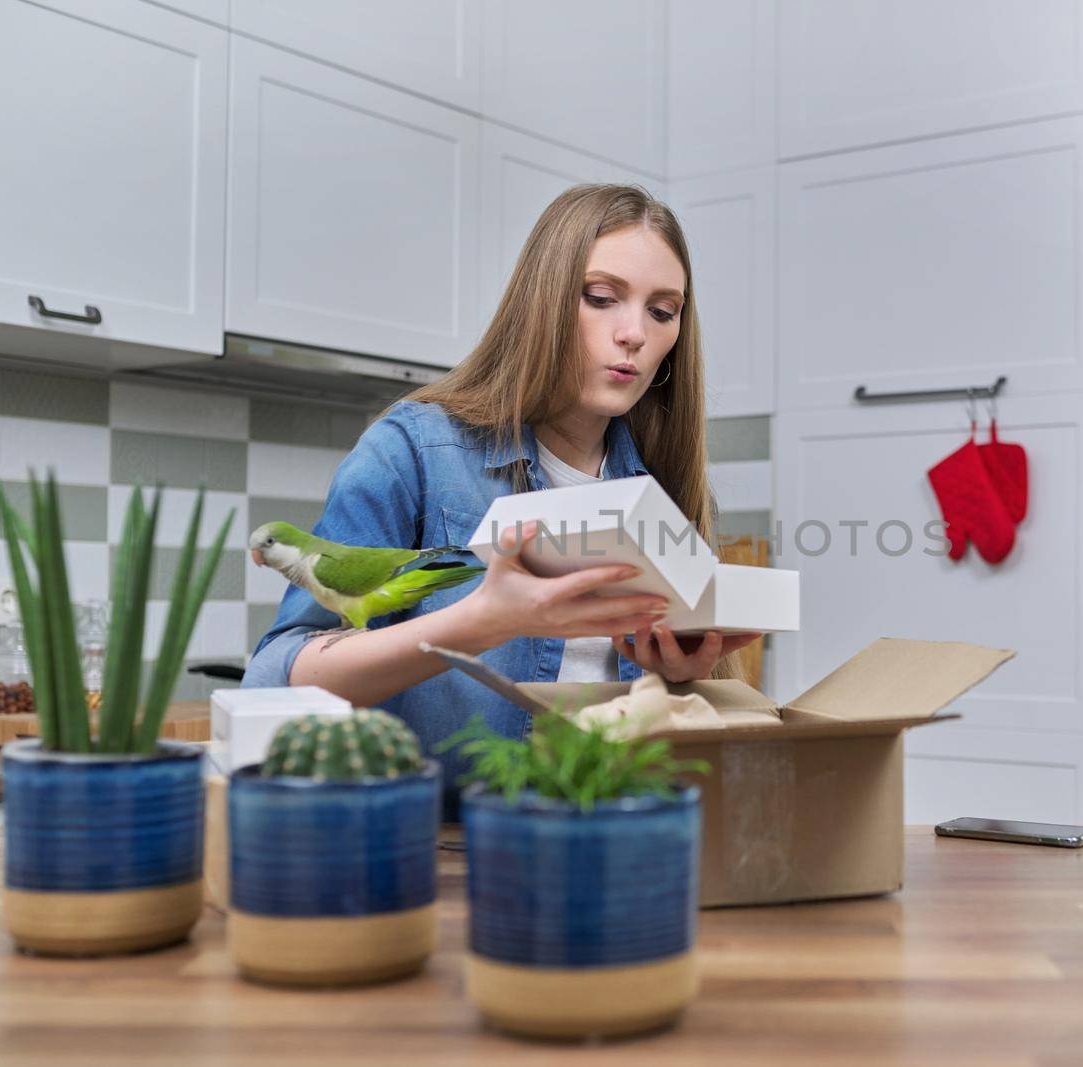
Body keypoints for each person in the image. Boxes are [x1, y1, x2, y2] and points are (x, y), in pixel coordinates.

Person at [242, 184, 761, 813]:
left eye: (662, 311)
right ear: (541, 302)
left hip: (609, 834)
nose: (633, 334)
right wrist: (485, 620)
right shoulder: (413, 452)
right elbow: (278, 676)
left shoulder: (664, 491)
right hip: (446, 847)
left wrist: (678, 678)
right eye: (601, 298)